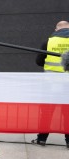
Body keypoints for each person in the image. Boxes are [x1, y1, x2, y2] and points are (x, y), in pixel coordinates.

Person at [33, 20, 69, 148]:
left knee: (47, 111)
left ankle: (42, 139)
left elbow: (38, 61)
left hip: (50, 83)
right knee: (67, 112)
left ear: (56, 29)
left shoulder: (48, 42)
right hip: (67, 84)